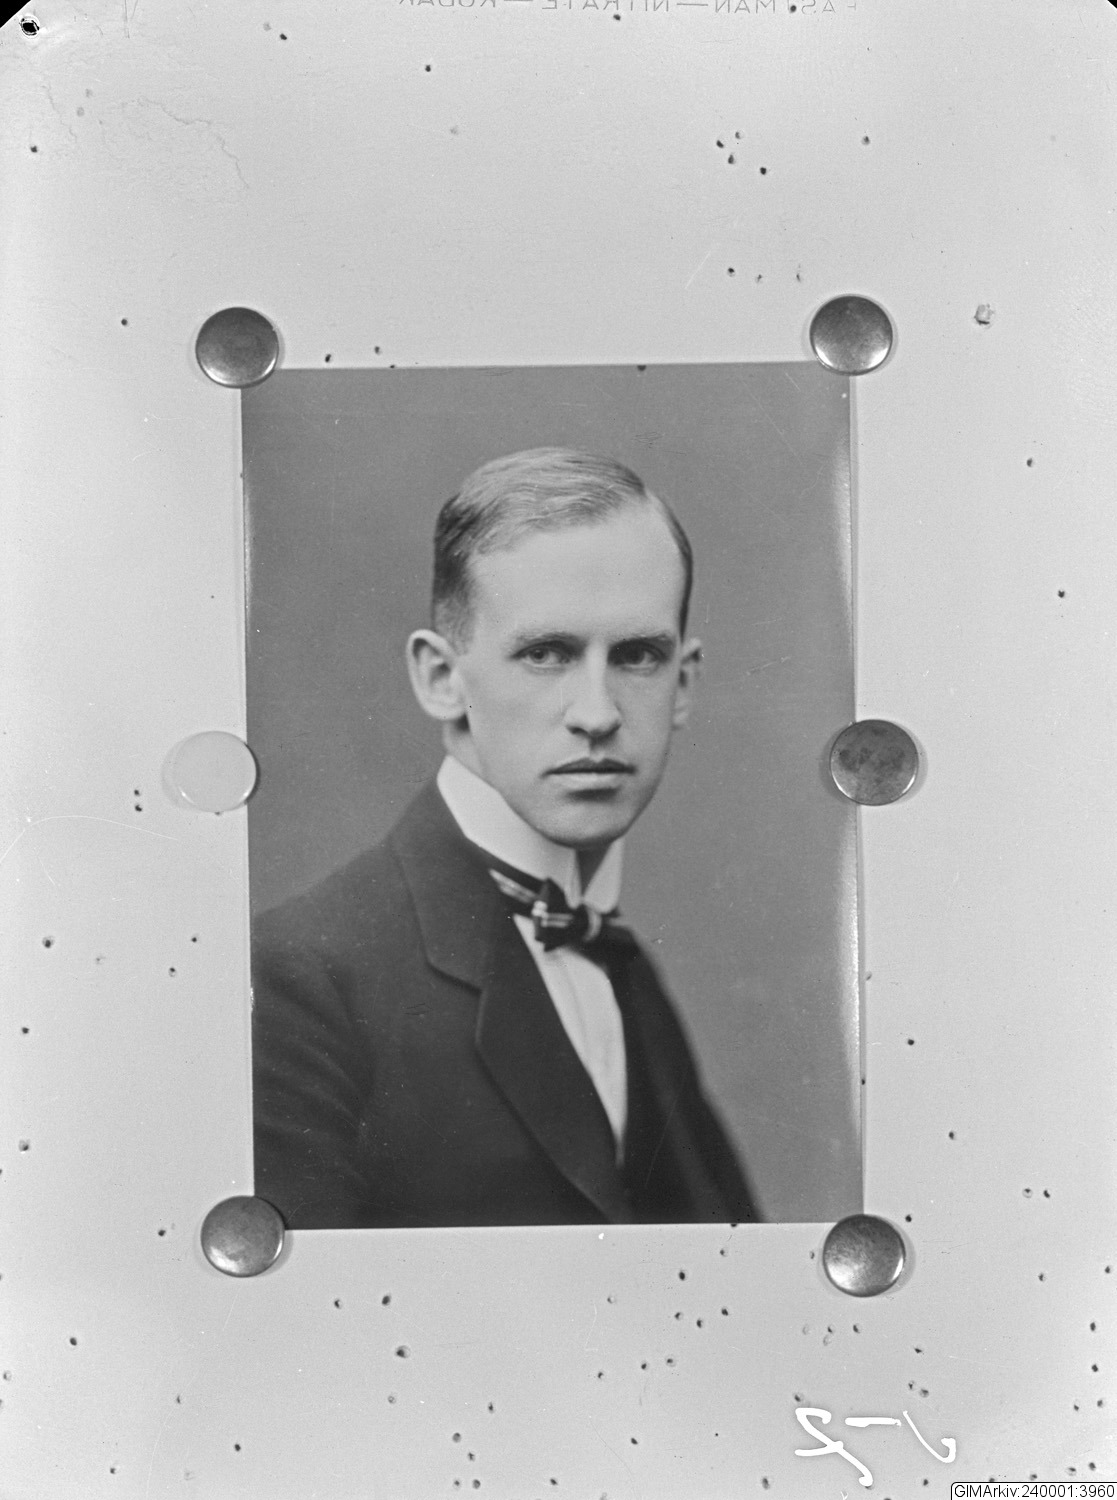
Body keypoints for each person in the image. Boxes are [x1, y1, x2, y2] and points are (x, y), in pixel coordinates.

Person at [251, 447, 759, 1228]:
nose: (597, 713)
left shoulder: (620, 967)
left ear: (683, 683)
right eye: (544, 654)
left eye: (637, 656)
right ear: (441, 678)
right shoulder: (298, 982)